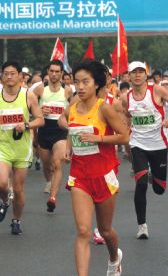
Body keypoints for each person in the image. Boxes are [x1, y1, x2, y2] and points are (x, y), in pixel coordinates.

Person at [63, 60, 128, 276]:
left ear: (96, 83)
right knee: (83, 231)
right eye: (76, 82)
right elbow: (73, 131)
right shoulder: (72, 109)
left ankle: (114, 258)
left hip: (103, 176)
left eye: (85, 82)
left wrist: (98, 138)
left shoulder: (104, 108)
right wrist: (68, 147)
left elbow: (124, 136)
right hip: (80, 176)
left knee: (106, 230)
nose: (80, 87)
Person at [121, 61, 168, 239]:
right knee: (141, 184)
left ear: (146, 75)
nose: (137, 75)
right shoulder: (126, 97)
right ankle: (142, 225)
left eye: (140, 72)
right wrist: (127, 136)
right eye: (134, 72)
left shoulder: (157, 90)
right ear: (128, 76)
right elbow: (128, 115)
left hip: (159, 145)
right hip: (138, 144)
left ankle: (152, 176)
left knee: (159, 189)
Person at [0, 61, 44, 234]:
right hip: (3, 146)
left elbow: (40, 119)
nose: (9, 76)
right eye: (6, 73)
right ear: (2, 76)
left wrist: (26, 125)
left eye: (13, 73)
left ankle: (16, 220)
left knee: (18, 189)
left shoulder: (28, 96)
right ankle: (5, 201)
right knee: (1, 184)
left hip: (22, 148)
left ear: (20, 75)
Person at [33, 60, 73, 212]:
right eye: (52, 71)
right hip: (44, 129)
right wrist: (39, 113)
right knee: (47, 165)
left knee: (57, 163)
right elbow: (30, 109)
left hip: (60, 130)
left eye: (58, 71)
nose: (54, 74)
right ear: (48, 73)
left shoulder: (68, 90)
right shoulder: (39, 90)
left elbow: (75, 108)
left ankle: (53, 197)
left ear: (62, 74)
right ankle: (49, 181)